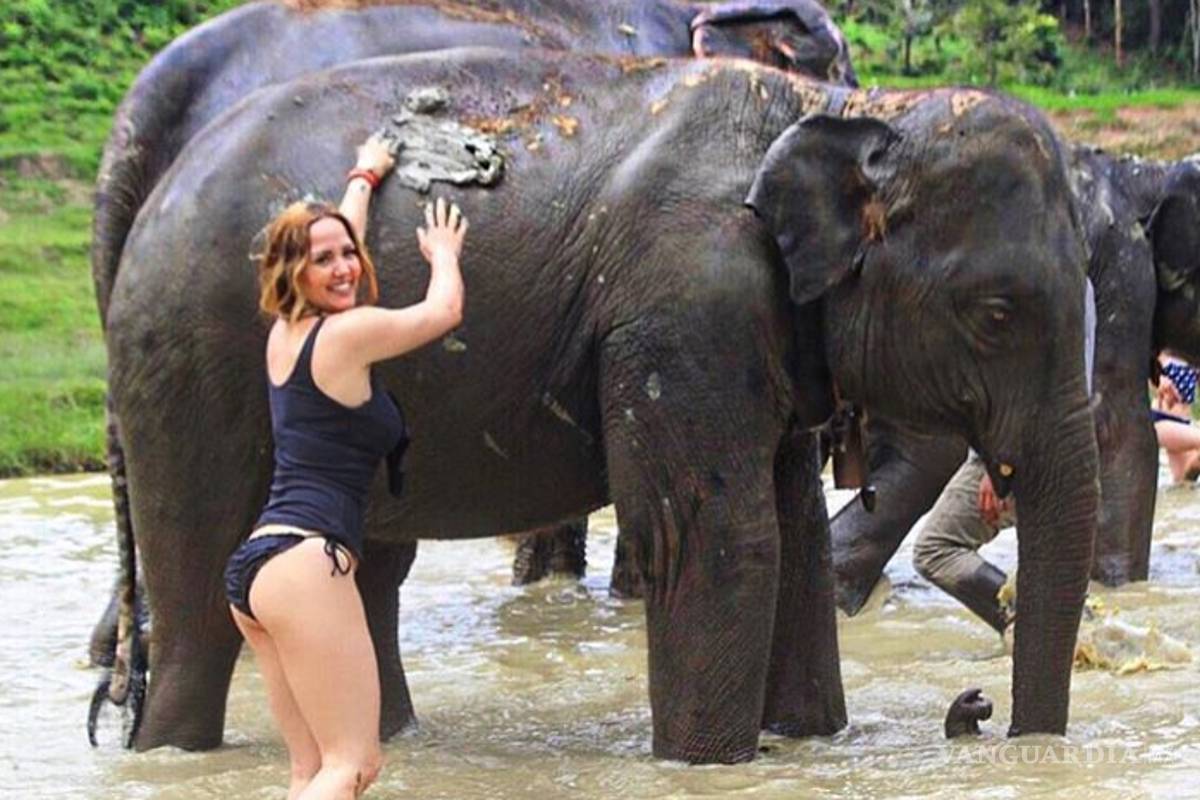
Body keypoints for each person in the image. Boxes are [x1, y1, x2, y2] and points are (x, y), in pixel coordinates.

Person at [222, 133, 468, 800]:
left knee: (310, 773)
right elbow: (443, 311)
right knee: (352, 765)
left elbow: (336, 244)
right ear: (293, 273)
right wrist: (444, 254)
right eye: (322, 261)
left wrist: (364, 176)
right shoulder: (348, 336)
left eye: (347, 255)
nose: (344, 268)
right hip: (308, 562)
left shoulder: (286, 336)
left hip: (259, 570)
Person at [912, 279, 1097, 637]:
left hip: (1015, 449)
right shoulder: (1076, 278)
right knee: (1048, 567)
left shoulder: (1025, 273)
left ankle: (1024, 622)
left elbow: (1026, 372)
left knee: (936, 549)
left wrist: (998, 463)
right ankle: (1079, 636)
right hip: (1069, 448)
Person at [1152, 351, 1200, 483]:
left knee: (1184, 482)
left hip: (1184, 422)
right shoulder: (1158, 353)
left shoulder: (1192, 354)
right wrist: (1159, 380)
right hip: (1163, 420)